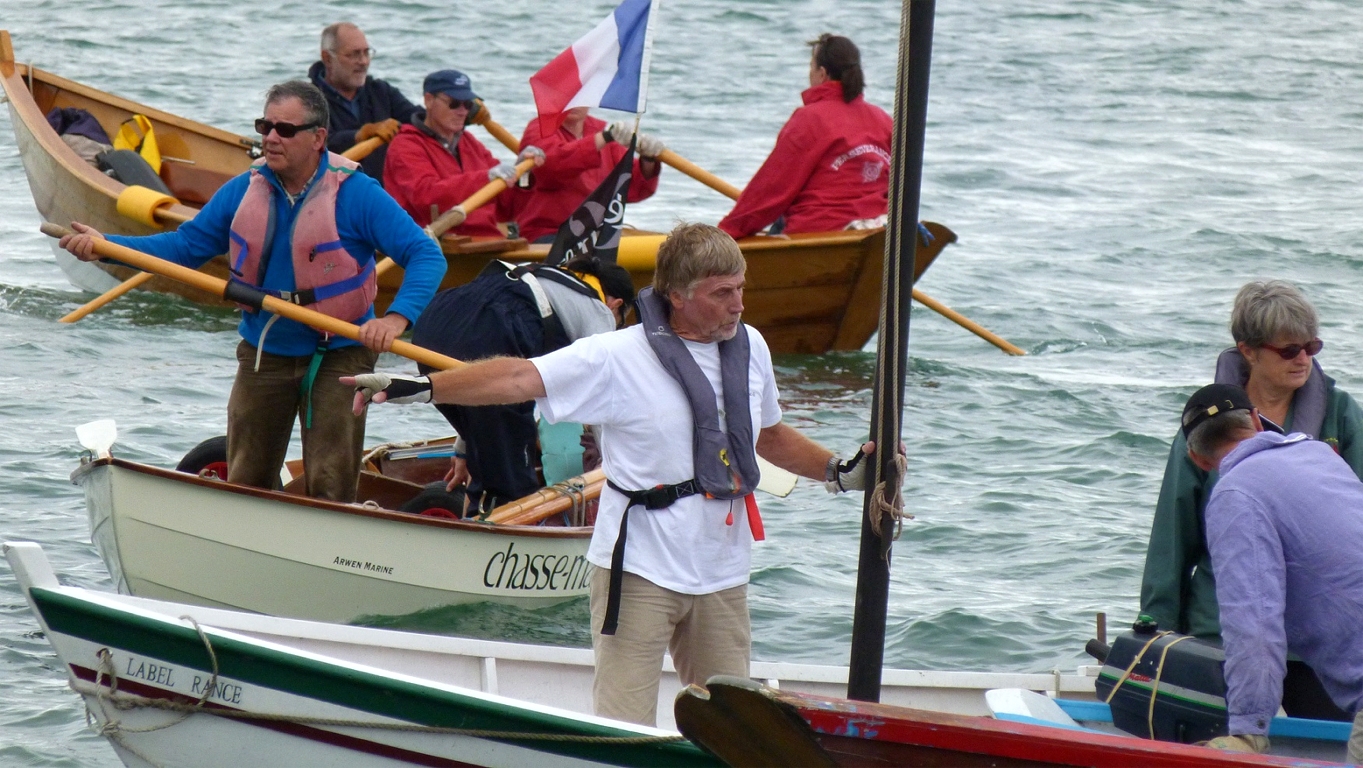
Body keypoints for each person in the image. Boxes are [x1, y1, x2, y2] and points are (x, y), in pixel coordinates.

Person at [343, 222, 883, 726]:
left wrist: (840, 472)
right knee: (622, 725)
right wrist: (424, 387)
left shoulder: (753, 349)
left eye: (741, 288)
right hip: (640, 567)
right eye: (723, 293)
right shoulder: (616, 356)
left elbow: (769, 437)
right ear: (677, 295)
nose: (739, 304)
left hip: (722, 570)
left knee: (732, 727)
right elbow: (516, 378)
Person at [59, 81, 446, 503]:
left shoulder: (357, 195)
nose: (271, 137)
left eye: (284, 129)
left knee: (330, 483)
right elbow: (183, 248)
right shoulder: (244, 190)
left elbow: (426, 254)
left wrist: (394, 319)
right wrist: (107, 248)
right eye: (265, 126)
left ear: (318, 138)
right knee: (246, 481)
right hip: (265, 349)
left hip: (341, 351)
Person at [1140, 280, 1363, 640]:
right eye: (1289, 350)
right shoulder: (1204, 425)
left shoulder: (1343, 414)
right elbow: (1172, 536)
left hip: (1320, 629)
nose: (1304, 359)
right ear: (1248, 351)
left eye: (1312, 346)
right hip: (1220, 626)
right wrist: (1155, 625)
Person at [1176, 383, 1363, 759]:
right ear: (1257, 423)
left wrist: (1248, 732)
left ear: (1197, 459)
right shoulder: (1319, 455)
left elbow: (1253, 623)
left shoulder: (1235, 496)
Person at [410, 256, 636, 512]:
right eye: (620, 321)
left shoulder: (540, 275)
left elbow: (475, 385)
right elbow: (602, 395)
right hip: (492, 330)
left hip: (433, 323)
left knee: (491, 447)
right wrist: (616, 466)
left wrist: (464, 449)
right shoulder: (598, 310)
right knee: (513, 484)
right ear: (615, 305)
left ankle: (477, 515)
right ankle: (500, 542)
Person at [717, 34, 893, 239]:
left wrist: (725, 233)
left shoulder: (810, 119)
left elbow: (772, 190)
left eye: (811, 67)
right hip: (877, 229)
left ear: (822, 73)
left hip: (818, 231)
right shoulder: (884, 120)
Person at [384, 70, 543, 238]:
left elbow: (507, 209)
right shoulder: (405, 145)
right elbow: (427, 197)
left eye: (468, 104)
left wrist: (523, 177)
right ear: (429, 101)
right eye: (454, 103)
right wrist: (485, 179)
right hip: (432, 244)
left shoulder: (470, 143)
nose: (462, 111)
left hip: (483, 242)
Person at [514, 107, 663, 243]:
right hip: (547, 233)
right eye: (569, 95)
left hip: (596, 234)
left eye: (580, 96)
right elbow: (553, 166)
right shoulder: (539, 128)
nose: (574, 103)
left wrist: (648, 159)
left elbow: (632, 185)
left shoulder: (602, 132)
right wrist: (604, 138)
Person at [308, 22, 421, 184]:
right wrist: (360, 135)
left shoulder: (381, 91)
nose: (363, 61)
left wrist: (456, 108)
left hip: (383, 195)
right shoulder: (308, 101)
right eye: (353, 54)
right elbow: (314, 144)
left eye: (366, 53)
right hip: (335, 196)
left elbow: (419, 119)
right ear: (327, 59)